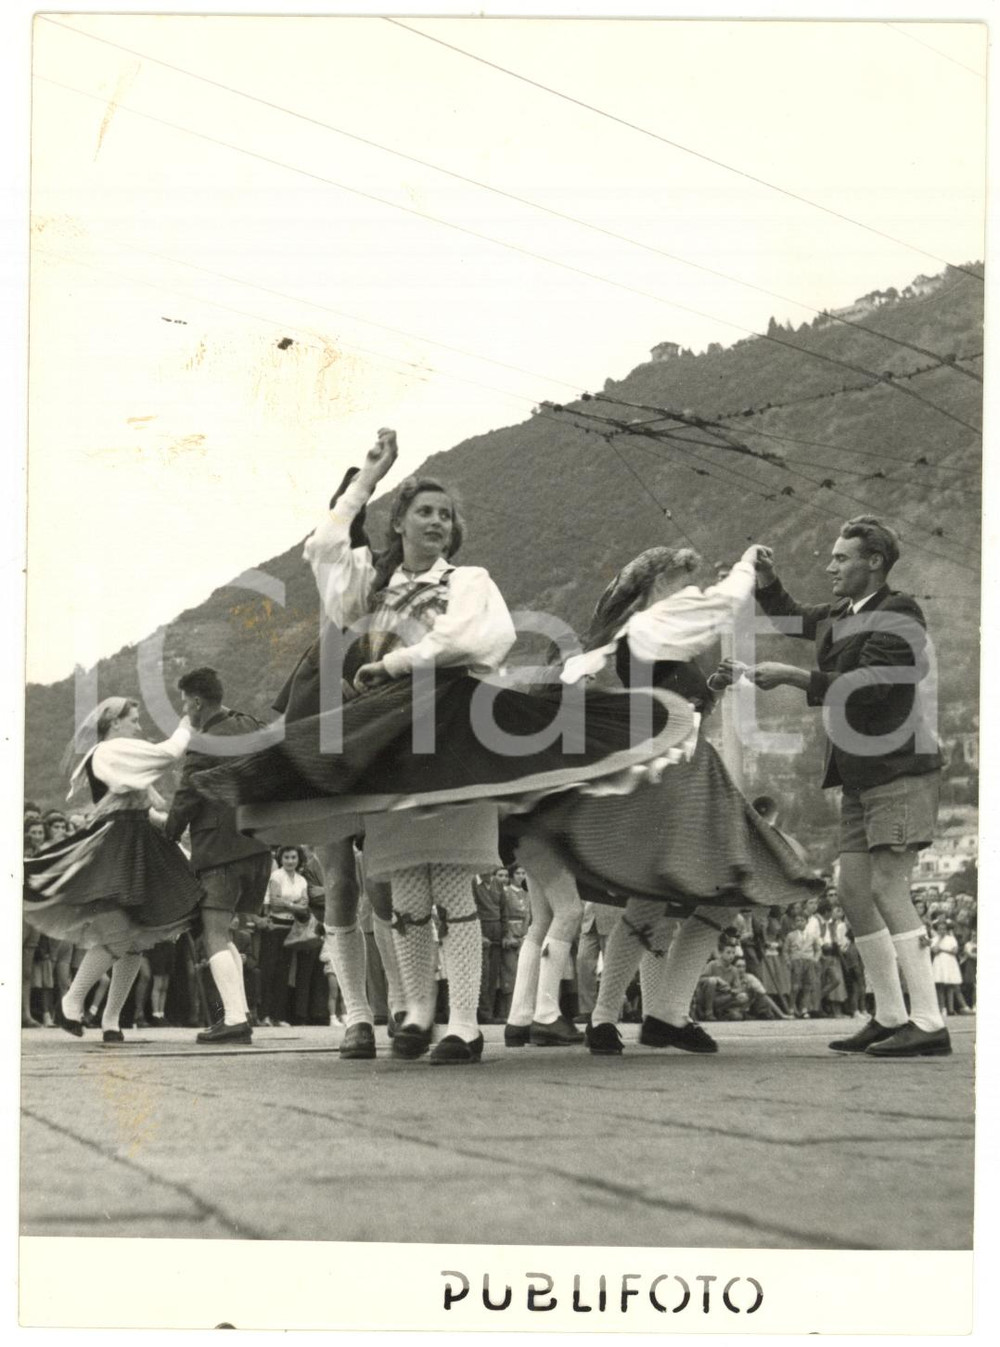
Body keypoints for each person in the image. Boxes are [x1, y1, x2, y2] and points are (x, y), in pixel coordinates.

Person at [518, 542, 823, 1056]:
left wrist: (712, 687)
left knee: (659, 897)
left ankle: (618, 1018)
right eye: (682, 580)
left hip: (669, 767)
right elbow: (722, 603)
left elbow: (657, 693)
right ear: (657, 585)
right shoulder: (655, 623)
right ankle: (658, 1012)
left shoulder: (632, 637)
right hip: (676, 772)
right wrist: (748, 563)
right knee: (734, 885)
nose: (689, 591)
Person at [749, 516, 949, 1057]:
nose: (830, 565)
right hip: (863, 777)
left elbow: (868, 691)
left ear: (874, 562)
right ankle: (889, 1013)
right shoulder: (844, 614)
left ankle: (929, 1022)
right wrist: (768, 581)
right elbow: (792, 619)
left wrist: (792, 678)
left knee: (886, 886)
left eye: (841, 558)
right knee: (854, 891)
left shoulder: (899, 613)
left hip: (901, 770)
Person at [23, 697, 202, 1044]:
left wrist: (172, 825)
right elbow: (167, 754)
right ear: (114, 724)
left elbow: (140, 809)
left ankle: (111, 1019)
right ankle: (71, 1002)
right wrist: (185, 725)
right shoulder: (110, 751)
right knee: (120, 937)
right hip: (115, 849)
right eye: (133, 720)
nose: (138, 726)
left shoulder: (120, 756)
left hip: (135, 845)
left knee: (133, 942)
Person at [164, 667, 273, 1045]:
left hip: (219, 851)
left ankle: (235, 1019)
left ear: (196, 701)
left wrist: (168, 836)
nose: (185, 710)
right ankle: (239, 1013)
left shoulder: (205, 742)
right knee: (225, 934)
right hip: (259, 846)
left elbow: (187, 798)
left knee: (213, 933)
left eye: (184, 702)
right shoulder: (253, 725)